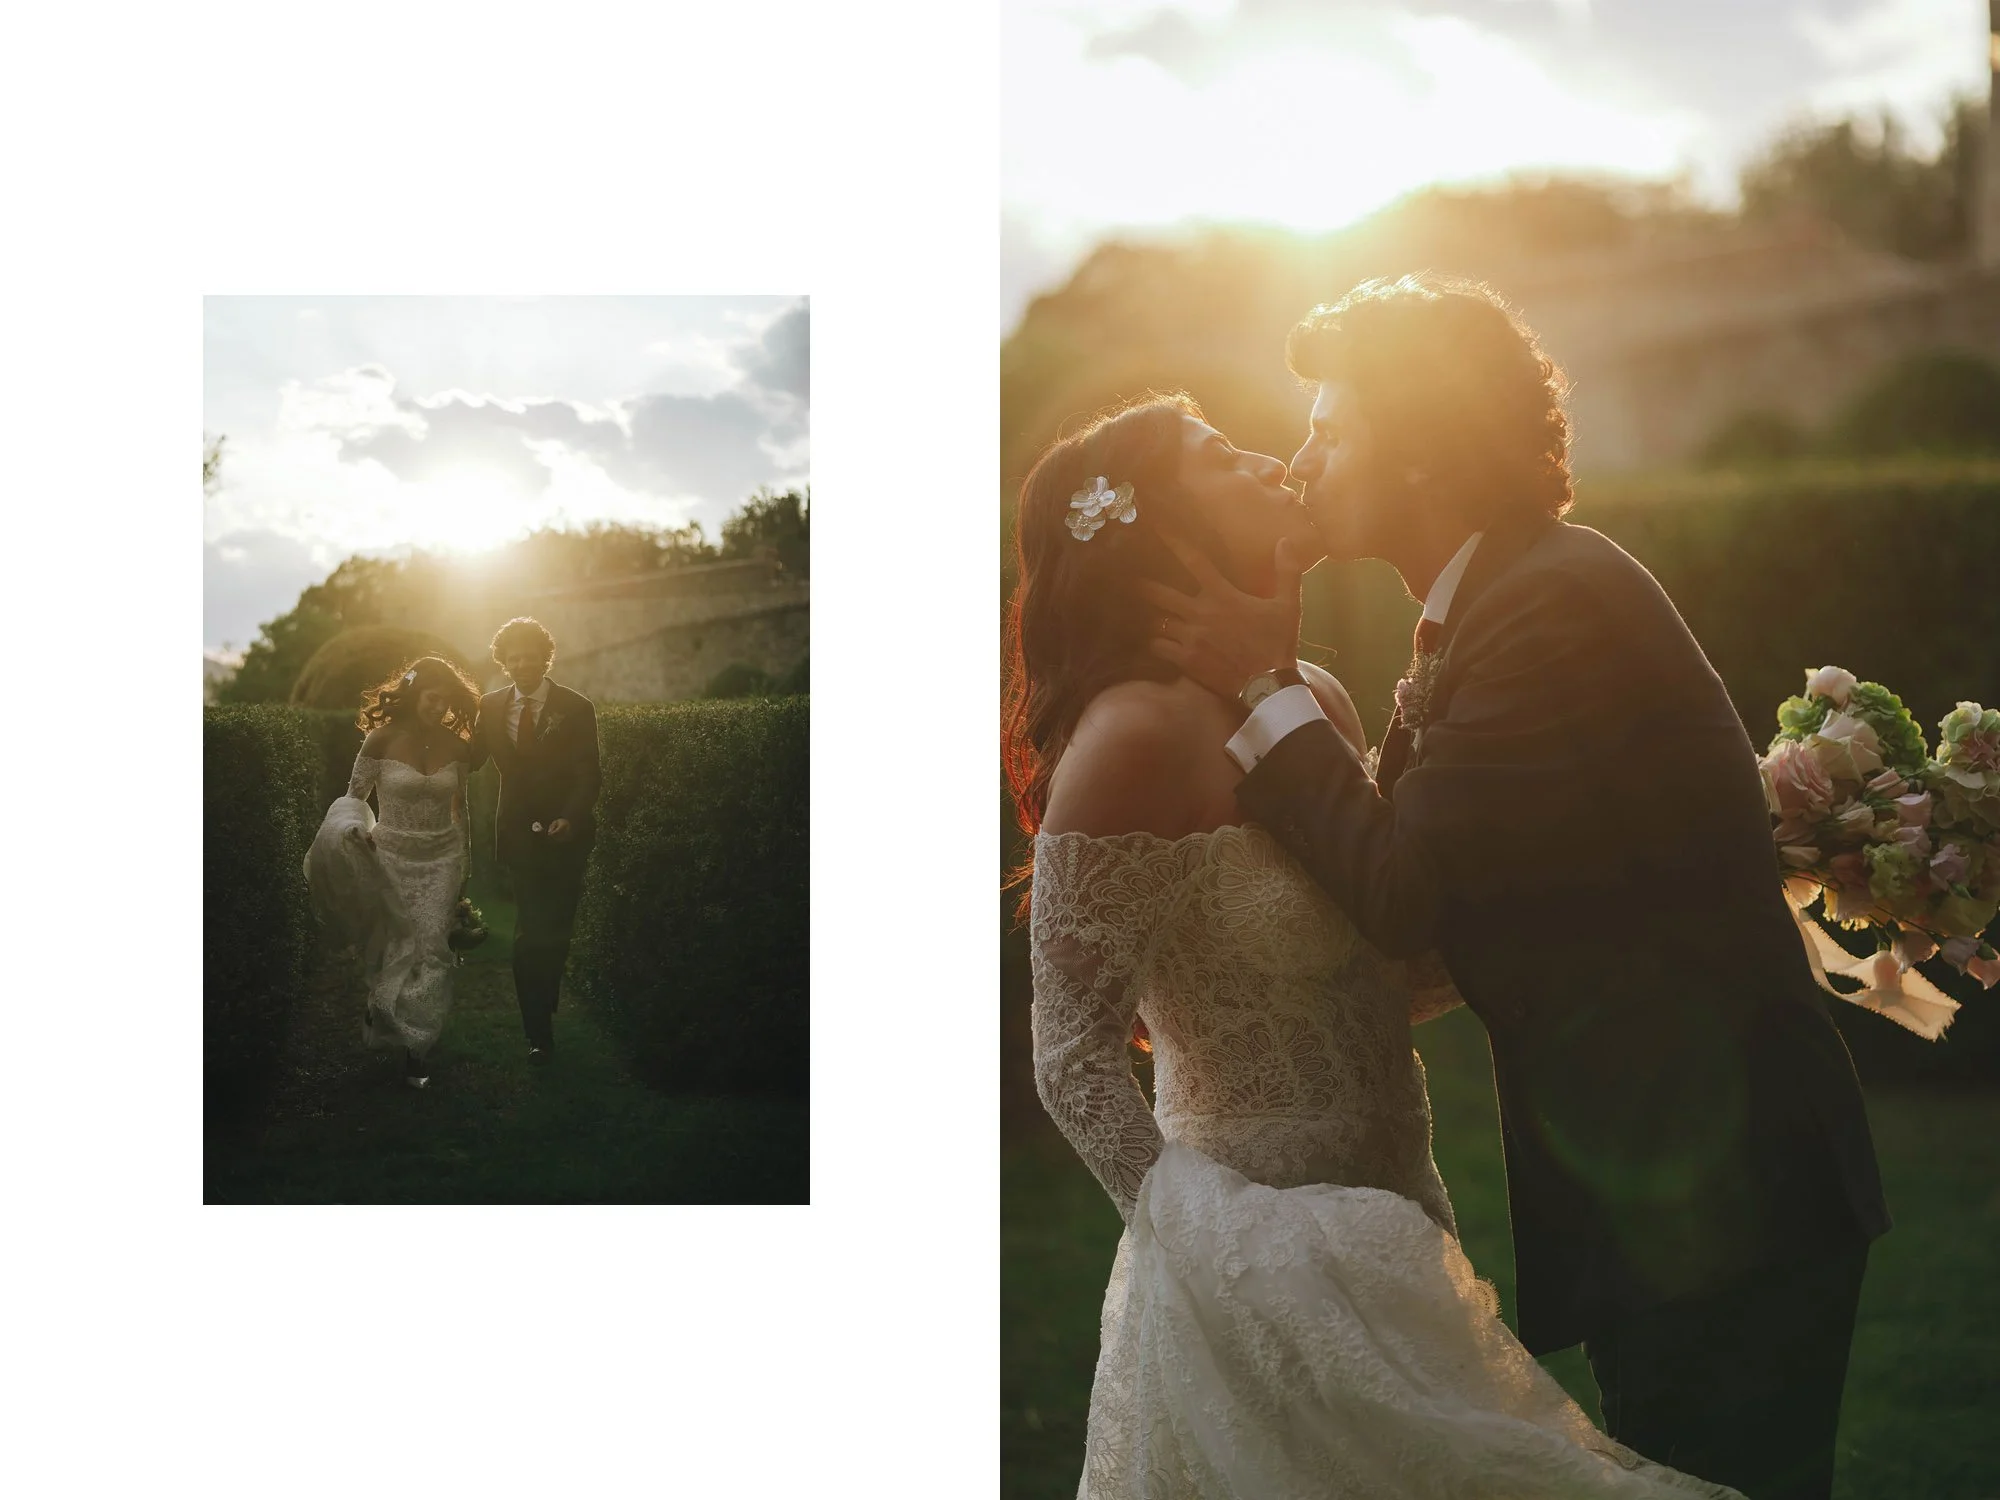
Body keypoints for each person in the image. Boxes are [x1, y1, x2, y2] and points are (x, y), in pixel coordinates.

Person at [1143, 274, 1889, 1500]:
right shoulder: (1492, 606)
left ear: (1424, 455)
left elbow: (1397, 889)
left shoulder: (1549, 605)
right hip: (1675, 1190)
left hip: (1721, 1192)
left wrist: (1264, 679)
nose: (1301, 456)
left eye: (1333, 429)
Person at [1007, 391, 1741, 1499]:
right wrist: (1217, 1242)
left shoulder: (1312, 700)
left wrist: (1617, 880)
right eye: (1219, 455)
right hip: (1250, 1266)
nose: (1267, 462)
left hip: (1395, 1209)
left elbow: (1382, 960)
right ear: (1158, 524)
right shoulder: (1128, 741)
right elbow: (1068, 1056)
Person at [305, 654, 479, 1089]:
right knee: (397, 944)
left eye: (445, 702)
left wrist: (464, 864)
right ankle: (383, 1008)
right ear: (414, 694)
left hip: (441, 858)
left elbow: (463, 812)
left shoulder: (458, 747)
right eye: (430, 698)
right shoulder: (379, 741)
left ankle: (416, 1048)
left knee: (432, 947)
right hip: (391, 856)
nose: (437, 708)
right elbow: (352, 797)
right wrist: (351, 831)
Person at [466, 616, 600, 1065]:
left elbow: (588, 773)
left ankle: (547, 995)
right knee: (529, 931)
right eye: (513, 657)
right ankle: (538, 1033)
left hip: (566, 836)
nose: (522, 664)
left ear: (547, 658)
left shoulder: (577, 707)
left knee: (556, 931)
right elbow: (471, 759)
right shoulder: (489, 706)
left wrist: (571, 817)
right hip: (519, 834)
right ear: (504, 662)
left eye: (530, 656)